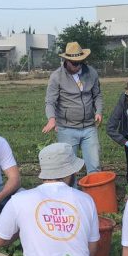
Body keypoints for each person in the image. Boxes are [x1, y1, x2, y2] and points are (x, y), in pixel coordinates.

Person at [42, 42, 103, 174]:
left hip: (89, 128)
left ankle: (94, 193)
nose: (78, 65)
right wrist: (51, 119)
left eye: (81, 62)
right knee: (69, 170)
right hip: (67, 129)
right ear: (66, 60)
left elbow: (97, 95)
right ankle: (71, 193)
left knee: (94, 166)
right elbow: (50, 101)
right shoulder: (56, 76)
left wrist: (98, 111)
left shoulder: (91, 73)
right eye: (75, 63)